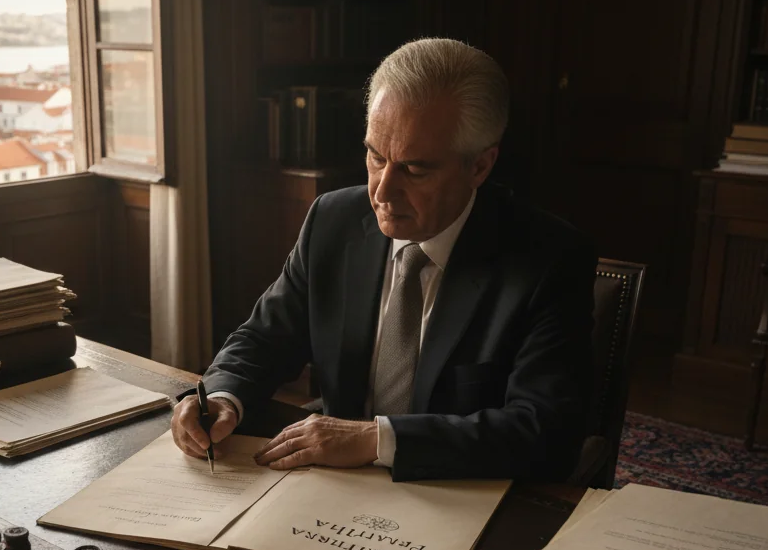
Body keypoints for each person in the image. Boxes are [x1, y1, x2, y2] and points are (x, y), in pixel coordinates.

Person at [172, 38, 596, 483]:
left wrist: (377, 440)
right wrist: (222, 396)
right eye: (376, 157)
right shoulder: (332, 220)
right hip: (335, 484)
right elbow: (265, 337)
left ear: (480, 167)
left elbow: (546, 430)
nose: (381, 191)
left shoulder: (550, 259)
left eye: (414, 170)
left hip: (461, 490)